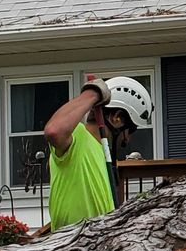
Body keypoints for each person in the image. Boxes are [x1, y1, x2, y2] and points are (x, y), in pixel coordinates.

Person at [42, 75, 153, 232]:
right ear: (117, 118)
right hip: (73, 248)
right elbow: (54, 131)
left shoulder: (102, 155)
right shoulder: (78, 135)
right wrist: (93, 94)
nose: (128, 139)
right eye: (131, 130)